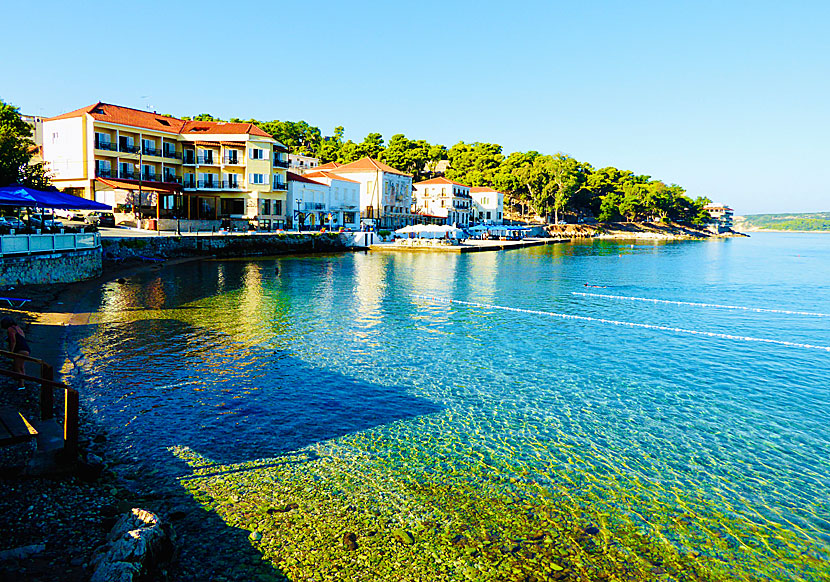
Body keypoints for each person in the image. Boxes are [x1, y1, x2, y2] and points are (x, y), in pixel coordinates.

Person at [1, 316, 30, 389]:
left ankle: (21, 384)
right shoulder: (18, 328)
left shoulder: (10, 329)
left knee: (17, 367)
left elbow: (13, 341)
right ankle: (22, 383)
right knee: (22, 367)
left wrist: (11, 352)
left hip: (20, 350)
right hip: (26, 349)